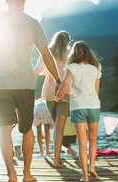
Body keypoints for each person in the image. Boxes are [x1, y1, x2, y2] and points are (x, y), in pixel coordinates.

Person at [0, 0, 62, 182]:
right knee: (27, 129)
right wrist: (57, 79)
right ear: (22, 2)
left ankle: (11, 174)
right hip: (25, 84)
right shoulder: (32, 23)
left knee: (4, 129)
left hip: (0, 84)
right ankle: (26, 173)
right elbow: (46, 55)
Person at [56, 41, 102, 182]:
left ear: (74, 53)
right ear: (88, 52)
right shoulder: (95, 69)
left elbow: (65, 83)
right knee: (93, 139)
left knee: (82, 143)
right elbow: (96, 91)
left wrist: (59, 95)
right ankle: (92, 167)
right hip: (94, 106)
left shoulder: (72, 67)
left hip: (78, 107)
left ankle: (85, 176)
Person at [35, 30, 71, 168]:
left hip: (49, 94)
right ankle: (57, 159)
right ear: (67, 41)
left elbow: (37, 71)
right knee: (59, 128)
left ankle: (57, 158)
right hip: (65, 92)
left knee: (56, 127)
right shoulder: (69, 53)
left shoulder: (47, 53)